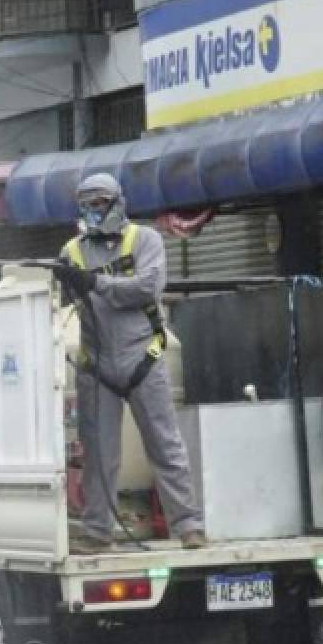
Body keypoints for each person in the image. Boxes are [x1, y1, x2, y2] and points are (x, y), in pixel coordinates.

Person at [53, 172, 206, 553]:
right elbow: (63, 300)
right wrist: (64, 279)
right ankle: (97, 531)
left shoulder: (146, 240)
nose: (93, 210)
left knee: (165, 445)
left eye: (100, 202)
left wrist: (96, 283)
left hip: (144, 358)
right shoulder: (72, 251)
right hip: (96, 364)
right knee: (98, 455)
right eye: (86, 203)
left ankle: (189, 527)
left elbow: (147, 288)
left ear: (118, 203)